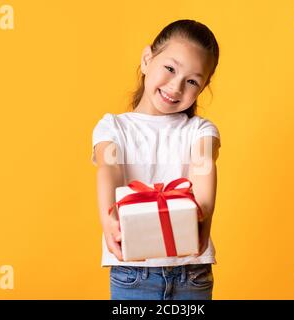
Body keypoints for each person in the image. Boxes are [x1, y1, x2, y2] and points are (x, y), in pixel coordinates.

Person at [91, 19, 221, 300]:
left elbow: (203, 165)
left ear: (203, 86)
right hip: (133, 272)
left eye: (192, 81)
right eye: (170, 69)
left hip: (192, 272)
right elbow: (109, 166)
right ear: (148, 58)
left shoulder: (200, 130)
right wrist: (107, 217)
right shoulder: (112, 127)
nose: (176, 87)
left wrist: (204, 217)